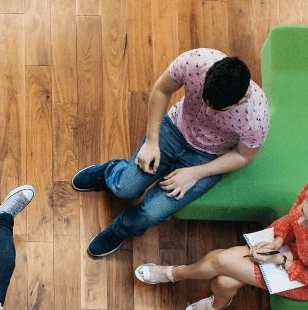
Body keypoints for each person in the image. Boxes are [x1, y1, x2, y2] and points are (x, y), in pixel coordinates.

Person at [73, 49, 270, 257]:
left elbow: (244, 155)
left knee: (151, 213)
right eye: (205, 102)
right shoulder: (195, 62)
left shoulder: (256, 116)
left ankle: (120, 229)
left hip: (209, 157)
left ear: (240, 100)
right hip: (175, 128)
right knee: (125, 189)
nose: (207, 113)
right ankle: (109, 171)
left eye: (218, 110)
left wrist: (195, 173)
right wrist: (151, 142)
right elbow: (162, 90)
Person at [135, 174, 308, 310]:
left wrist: (280, 261)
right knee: (224, 282)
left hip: (301, 277)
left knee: (220, 261)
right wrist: (278, 243)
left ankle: (174, 273)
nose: (300, 222)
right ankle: (217, 303)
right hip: (284, 249)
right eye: (304, 212)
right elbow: (293, 217)